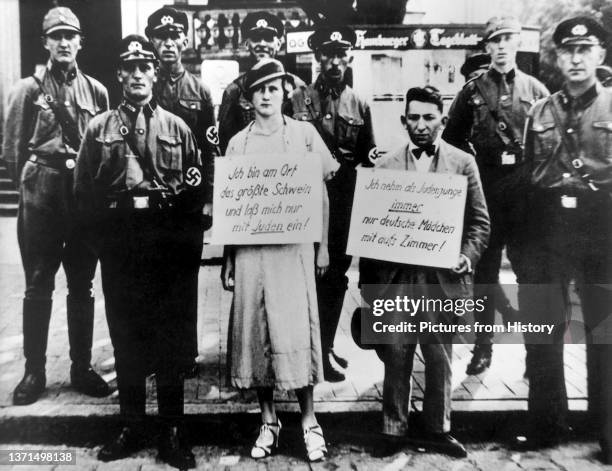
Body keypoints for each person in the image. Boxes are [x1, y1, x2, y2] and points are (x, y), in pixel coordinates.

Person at [74, 35, 205, 469]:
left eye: (144, 67)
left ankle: (171, 430)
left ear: (154, 74)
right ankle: (131, 425)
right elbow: (84, 196)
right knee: (126, 334)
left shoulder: (178, 128)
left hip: (166, 242)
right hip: (122, 242)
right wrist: (104, 245)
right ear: (119, 75)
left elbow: (194, 194)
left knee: (169, 337)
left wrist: (185, 253)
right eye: (128, 68)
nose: (136, 75)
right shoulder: (99, 128)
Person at [221, 59, 338, 462]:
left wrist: (323, 247)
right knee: (256, 331)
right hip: (253, 253)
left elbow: (321, 195)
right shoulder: (238, 143)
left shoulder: (304, 135)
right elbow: (232, 206)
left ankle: (309, 420)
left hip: (294, 252)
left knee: (296, 331)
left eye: (274, 87)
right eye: (259, 89)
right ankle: (268, 419)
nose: (267, 95)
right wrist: (230, 258)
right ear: (249, 98)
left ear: (286, 91)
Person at [362, 86, 489, 458]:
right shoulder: (384, 166)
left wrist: (468, 255)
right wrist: (373, 291)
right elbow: (371, 228)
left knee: (439, 356)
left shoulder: (463, 162)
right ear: (403, 121)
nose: (421, 125)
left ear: (443, 121)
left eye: (429, 117)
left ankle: (438, 427)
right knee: (397, 355)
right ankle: (393, 428)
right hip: (399, 281)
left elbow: (480, 222)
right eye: (413, 117)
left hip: (442, 281)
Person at [511, 18, 612, 460]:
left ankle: (607, 429)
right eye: (567, 51)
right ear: (556, 57)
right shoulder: (540, 112)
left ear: (600, 55)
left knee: (605, 331)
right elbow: (528, 178)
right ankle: (547, 425)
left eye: (585, 49)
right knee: (543, 331)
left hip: (602, 226)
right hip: (549, 228)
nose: (575, 58)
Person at [2, 6, 110, 406]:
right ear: (46, 42)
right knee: (38, 283)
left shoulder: (96, 91)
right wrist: (33, 191)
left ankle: (81, 368)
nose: (64, 43)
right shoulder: (27, 89)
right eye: (56, 36)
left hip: (82, 196)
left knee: (82, 282)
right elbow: (13, 152)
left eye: (71, 36)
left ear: (81, 42)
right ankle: (34, 371)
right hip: (43, 193)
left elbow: (102, 146)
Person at [443, 16, 549, 375]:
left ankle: (536, 358)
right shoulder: (472, 91)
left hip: (524, 190)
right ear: (486, 46)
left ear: (517, 42)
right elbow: (451, 143)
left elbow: (552, 145)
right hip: (486, 188)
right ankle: (483, 347)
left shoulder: (536, 90)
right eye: (495, 40)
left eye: (508, 39)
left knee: (531, 274)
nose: (502, 46)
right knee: (486, 274)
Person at [290, 26, 377, 382]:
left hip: (343, 202)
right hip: (301, 197)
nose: (335, 61)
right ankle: (302, 350)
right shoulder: (296, 101)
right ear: (317, 57)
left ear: (350, 57)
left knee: (335, 276)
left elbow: (368, 160)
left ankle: (323, 348)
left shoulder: (361, 104)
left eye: (342, 54)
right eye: (328, 53)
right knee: (301, 276)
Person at [146, 6, 217, 377]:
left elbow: (209, 150)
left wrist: (208, 198)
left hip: (187, 203)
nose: (168, 43)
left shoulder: (200, 91)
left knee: (185, 279)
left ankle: (185, 354)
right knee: (151, 276)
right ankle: (157, 353)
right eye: (161, 37)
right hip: (150, 202)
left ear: (185, 41)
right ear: (152, 41)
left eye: (175, 37)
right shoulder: (143, 84)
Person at [217, 11, 304, 154]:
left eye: (268, 38)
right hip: (250, 170)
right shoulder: (234, 91)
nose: (262, 44)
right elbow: (226, 145)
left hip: (289, 169)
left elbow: (306, 139)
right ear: (247, 44)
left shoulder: (297, 86)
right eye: (256, 38)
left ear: (279, 43)